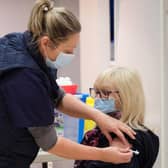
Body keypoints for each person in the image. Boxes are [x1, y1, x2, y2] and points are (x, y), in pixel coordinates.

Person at [0, 0, 136, 167]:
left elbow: (57, 96)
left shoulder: (28, 45)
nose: (71, 56)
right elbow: (49, 142)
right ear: (45, 42)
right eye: (67, 51)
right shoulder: (24, 75)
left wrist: (97, 115)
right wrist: (102, 154)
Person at [74, 66, 159, 168]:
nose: (96, 98)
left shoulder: (119, 136)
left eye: (105, 93)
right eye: (96, 92)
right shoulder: (148, 135)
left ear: (126, 97)